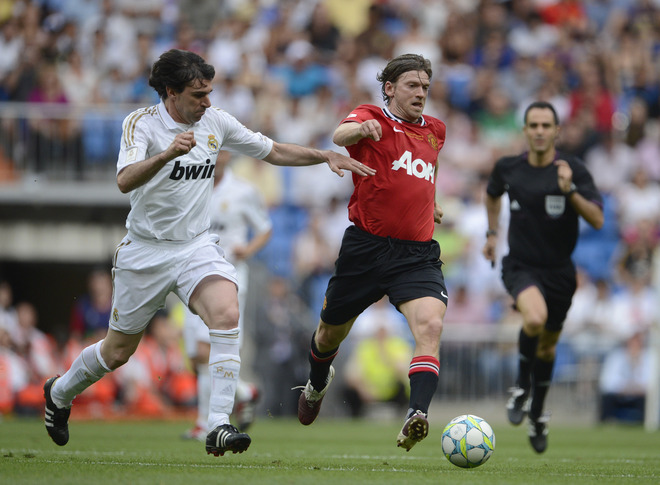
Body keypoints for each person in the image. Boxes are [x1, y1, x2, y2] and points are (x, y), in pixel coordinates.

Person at [42, 48, 375, 457]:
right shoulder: (142, 124)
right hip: (145, 251)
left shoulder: (215, 121)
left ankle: (217, 423)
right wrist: (166, 155)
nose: (208, 102)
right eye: (199, 95)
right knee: (117, 351)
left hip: (196, 246)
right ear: (171, 92)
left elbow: (271, 150)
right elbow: (124, 180)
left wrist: (322, 155)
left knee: (226, 312)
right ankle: (58, 392)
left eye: (209, 92)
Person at [294, 53, 448, 453]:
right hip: (367, 248)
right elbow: (340, 136)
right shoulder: (370, 116)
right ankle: (317, 382)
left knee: (430, 326)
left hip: (417, 254)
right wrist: (359, 129)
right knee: (330, 334)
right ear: (390, 88)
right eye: (413, 86)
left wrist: (429, 203)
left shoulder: (436, 131)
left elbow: (420, 173)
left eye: (425, 87)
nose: (421, 94)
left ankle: (417, 414)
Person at [482, 100, 604, 453]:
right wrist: (492, 235)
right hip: (520, 265)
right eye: (532, 125)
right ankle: (521, 387)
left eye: (545, 126)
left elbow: (597, 219)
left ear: (556, 131)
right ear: (524, 130)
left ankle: (537, 413)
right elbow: (491, 196)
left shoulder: (572, 170)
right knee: (534, 319)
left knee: (548, 346)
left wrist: (570, 191)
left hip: (560, 272)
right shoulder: (507, 167)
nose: (538, 131)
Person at [181, 150, 272, 440]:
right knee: (197, 353)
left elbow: (265, 229)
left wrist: (248, 249)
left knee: (211, 348)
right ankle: (244, 392)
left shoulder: (243, 191)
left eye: (220, 152)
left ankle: (204, 422)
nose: (215, 157)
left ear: (228, 155)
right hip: (194, 276)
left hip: (230, 279)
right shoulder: (192, 184)